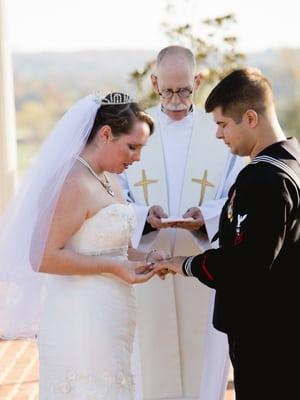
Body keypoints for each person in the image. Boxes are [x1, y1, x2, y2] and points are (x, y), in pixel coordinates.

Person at [0, 92, 167, 399]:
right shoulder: (72, 182)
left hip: (111, 313)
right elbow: (43, 257)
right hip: (80, 316)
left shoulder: (108, 179)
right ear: (105, 134)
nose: (137, 157)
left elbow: (112, 246)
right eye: (132, 146)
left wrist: (146, 257)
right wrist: (114, 267)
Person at [154, 68, 300, 400]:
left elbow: (247, 265)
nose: (219, 136)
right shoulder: (291, 161)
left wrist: (185, 264)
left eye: (222, 125)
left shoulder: (264, 180)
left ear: (250, 118)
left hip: (268, 337)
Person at [118, 46, 245, 399]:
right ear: (155, 82)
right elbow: (117, 191)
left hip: (202, 269)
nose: (175, 100)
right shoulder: (135, 131)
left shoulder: (219, 133)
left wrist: (204, 217)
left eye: (185, 90)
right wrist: (144, 218)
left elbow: (237, 192)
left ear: (198, 82)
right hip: (149, 266)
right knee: (150, 364)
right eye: (168, 90)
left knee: (202, 364)